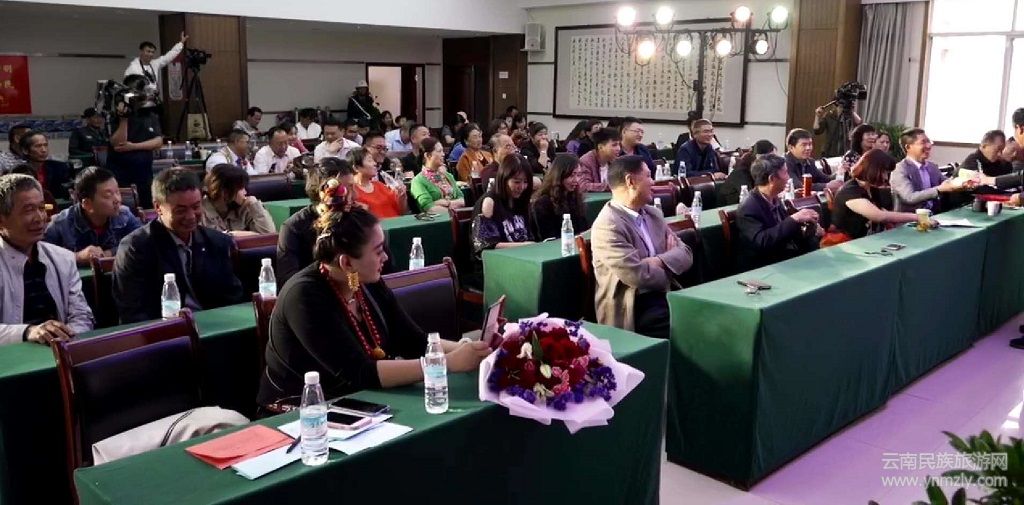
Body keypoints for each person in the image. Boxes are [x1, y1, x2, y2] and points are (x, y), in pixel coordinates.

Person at [256, 197, 490, 408]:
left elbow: (412, 340)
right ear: (347, 263)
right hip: (302, 410)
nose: (385, 257)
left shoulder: (364, 280)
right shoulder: (304, 296)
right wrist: (444, 363)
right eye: (378, 251)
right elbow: (360, 372)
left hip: (360, 399)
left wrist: (468, 349)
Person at [113, 168, 244, 323]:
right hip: (163, 331)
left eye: (196, 207)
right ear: (158, 207)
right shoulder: (135, 248)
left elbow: (233, 298)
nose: (191, 216)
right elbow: (133, 312)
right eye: (181, 210)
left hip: (216, 325)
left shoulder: (217, 242)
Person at [590, 155, 693, 339]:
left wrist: (657, 261)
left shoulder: (653, 214)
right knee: (692, 327)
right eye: (648, 176)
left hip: (664, 294)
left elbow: (686, 253)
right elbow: (637, 276)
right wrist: (670, 264)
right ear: (630, 181)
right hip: (633, 306)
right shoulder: (608, 225)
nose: (653, 182)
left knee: (707, 315)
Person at [0, 174, 94, 345]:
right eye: (28, 210)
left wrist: (66, 337)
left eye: (42, 208)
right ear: (2, 220)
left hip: (59, 351)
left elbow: (81, 315)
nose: (40, 218)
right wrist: (28, 331)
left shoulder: (63, 259)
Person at [823, 149, 929, 246]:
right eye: (884, 172)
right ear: (873, 169)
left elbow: (883, 213)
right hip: (843, 244)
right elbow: (879, 216)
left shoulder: (871, 189)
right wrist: (917, 217)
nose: (886, 177)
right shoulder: (850, 192)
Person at [277, 159, 356, 287]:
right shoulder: (294, 227)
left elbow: (376, 270)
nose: (353, 196)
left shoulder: (357, 219)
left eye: (352, 187)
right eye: (344, 190)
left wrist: (354, 286)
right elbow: (288, 280)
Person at [736, 154, 822, 270]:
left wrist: (810, 229)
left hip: (782, 255)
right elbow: (762, 241)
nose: (788, 177)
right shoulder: (748, 207)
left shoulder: (773, 197)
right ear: (772, 179)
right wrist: (794, 219)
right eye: (785, 173)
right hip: (763, 265)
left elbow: (784, 230)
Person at [44, 167, 142, 265]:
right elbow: (43, 256)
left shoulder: (124, 215)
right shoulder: (61, 223)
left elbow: (141, 243)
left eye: (117, 192)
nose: (117, 200)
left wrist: (109, 253)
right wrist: (77, 256)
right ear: (87, 204)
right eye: (108, 195)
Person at [471, 154, 535, 272]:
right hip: (494, 268)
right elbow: (487, 247)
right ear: (504, 179)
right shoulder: (489, 203)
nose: (522, 187)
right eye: (516, 182)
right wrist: (527, 246)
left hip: (524, 261)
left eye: (525, 182)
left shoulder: (521, 201)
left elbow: (531, 236)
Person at [107, 75, 163, 206]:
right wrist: (124, 119)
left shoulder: (150, 114)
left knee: (147, 206)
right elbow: (118, 144)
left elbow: (158, 141)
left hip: (144, 172)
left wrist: (133, 146)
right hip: (121, 173)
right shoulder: (115, 115)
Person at [891, 128, 962, 213]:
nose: (928, 146)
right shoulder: (900, 169)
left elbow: (945, 183)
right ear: (908, 147)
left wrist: (961, 182)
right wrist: (938, 190)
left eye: (929, 142)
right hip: (910, 218)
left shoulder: (932, 166)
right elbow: (909, 197)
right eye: (923, 142)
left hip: (935, 215)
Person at [200, 164, 275, 235]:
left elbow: (270, 235)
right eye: (241, 188)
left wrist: (255, 205)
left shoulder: (246, 207)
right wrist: (232, 235)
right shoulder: (201, 211)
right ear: (225, 192)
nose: (245, 192)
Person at [532, 153, 587, 240]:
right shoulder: (543, 203)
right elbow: (549, 237)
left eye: (578, 175)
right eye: (572, 175)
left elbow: (583, 228)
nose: (576, 180)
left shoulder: (575, 198)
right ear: (560, 175)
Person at [123, 32, 188, 104]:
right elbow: (126, 89)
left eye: (152, 52)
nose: (150, 54)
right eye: (148, 51)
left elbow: (169, 56)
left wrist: (181, 43)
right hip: (140, 105)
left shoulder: (155, 64)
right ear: (141, 51)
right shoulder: (133, 67)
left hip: (154, 103)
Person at [349, 147, 406, 219]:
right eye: (369, 160)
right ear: (356, 168)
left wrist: (402, 197)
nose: (375, 163)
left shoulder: (380, 185)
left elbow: (402, 212)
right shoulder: (351, 191)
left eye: (373, 160)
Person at [411, 137, 464, 213]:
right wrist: (453, 210)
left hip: (456, 216)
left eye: (442, 151)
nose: (443, 154)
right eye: (439, 151)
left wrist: (447, 203)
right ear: (428, 155)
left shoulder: (448, 176)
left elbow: (462, 200)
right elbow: (429, 208)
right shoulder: (418, 181)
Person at [719, 140, 776, 205]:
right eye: (772, 158)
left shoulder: (761, 171)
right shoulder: (741, 172)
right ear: (759, 157)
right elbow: (751, 198)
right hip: (728, 208)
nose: (774, 162)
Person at [18, 131, 71, 200]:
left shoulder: (59, 167)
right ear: (25, 150)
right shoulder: (19, 171)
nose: (43, 150)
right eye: (38, 146)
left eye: (45, 145)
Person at [574, 128, 621, 192]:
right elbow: (583, 186)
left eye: (619, 144)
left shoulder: (616, 161)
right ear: (600, 147)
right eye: (614, 145)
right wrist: (609, 186)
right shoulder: (586, 161)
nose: (618, 148)